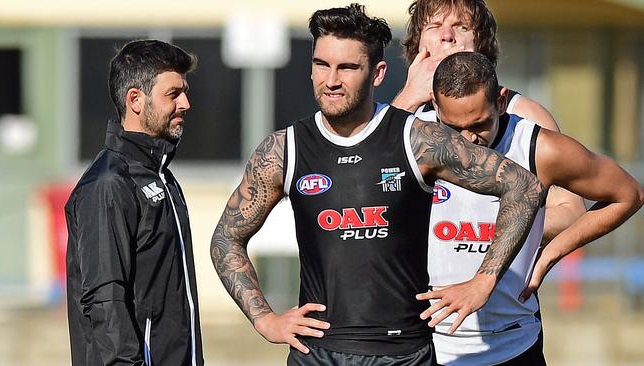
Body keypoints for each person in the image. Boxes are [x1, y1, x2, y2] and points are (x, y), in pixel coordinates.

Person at [210, 4, 545, 365]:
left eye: (348, 68)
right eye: (322, 65)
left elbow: (523, 187)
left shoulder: (418, 140)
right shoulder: (283, 149)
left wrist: (485, 280)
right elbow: (226, 238)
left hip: (403, 354)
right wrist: (264, 318)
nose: (332, 80)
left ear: (378, 73)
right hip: (316, 354)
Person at [423, 51, 644, 365]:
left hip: (514, 344)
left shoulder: (537, 146)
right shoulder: (414, 140)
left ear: (501, 101)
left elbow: (629, 194)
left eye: (479, 125)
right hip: (431, 347)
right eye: (454, 127)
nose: (468, 140)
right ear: (435, 106)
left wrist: (550, 254)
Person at [393, 0, 586, 244]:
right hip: (422, 281)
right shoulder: (405, 112)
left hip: (497, 277)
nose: (447, 36)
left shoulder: (525, 115)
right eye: (434, 26)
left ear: (481, 43)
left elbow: (571, 211)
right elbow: (366, 193)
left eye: (461, 27)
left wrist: (485, 229)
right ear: (418, 44)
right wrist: (408, 98)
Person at [65, 39, 204, 365]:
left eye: (184, 92)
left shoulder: (162, 177)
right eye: (173, 94)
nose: (185, 103)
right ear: (136, 100)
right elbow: (105, 300)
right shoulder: (109, 184)